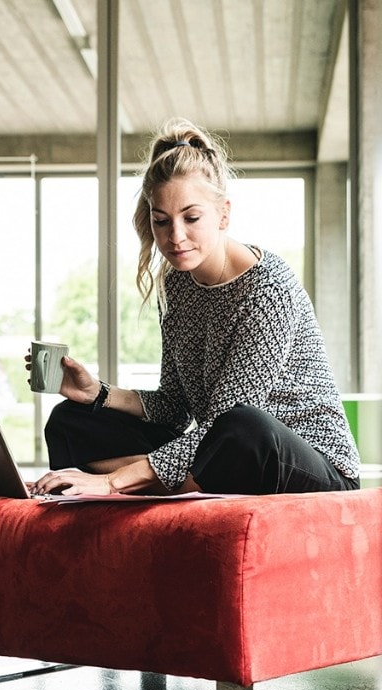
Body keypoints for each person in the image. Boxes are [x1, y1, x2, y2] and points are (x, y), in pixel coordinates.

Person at [29, 118, 360, 497]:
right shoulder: (176, 285)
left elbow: (227, 422)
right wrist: (98, 394)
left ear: (223, 214)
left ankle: (142, 484)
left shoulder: (268, 288)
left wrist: (111, 478)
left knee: (243, 426)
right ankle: (174, 482)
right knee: (70, 421)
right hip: (220, 450)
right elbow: (175, 407)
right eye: (161, 221)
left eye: (191, 217)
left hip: (306, 464)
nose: (176, 236)